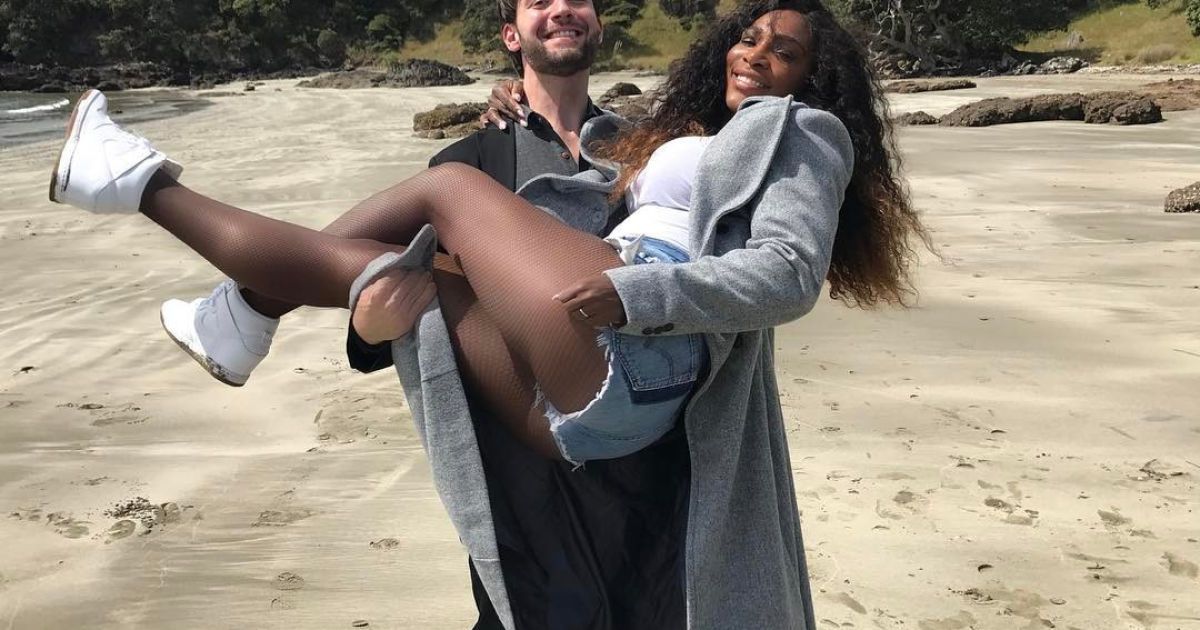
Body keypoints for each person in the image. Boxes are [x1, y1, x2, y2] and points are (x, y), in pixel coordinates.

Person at [48, 0, 928, 627]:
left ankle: (214, 278)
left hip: (646, 458)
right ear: (513, 34)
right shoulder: (479, 148)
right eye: (539, 1)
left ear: (598, 25)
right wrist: (370, 328)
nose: (562, 11)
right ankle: (199, 263)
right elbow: (379, 316)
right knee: (424, 224)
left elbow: (767, 265)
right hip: (542, 452)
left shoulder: (646, 138)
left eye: (577, 0)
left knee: (447, 200)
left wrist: (638, 290)